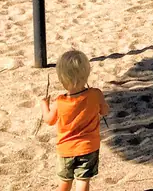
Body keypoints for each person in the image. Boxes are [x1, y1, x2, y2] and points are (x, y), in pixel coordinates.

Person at [41, 50, 109, 191]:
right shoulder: (96, 94)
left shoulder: (60, 102)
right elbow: (104, 111)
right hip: (88, 147)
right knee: (83, 180)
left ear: (62, 78)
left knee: (65, 181)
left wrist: (44, 106)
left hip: (66, 148)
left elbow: (49, 120)